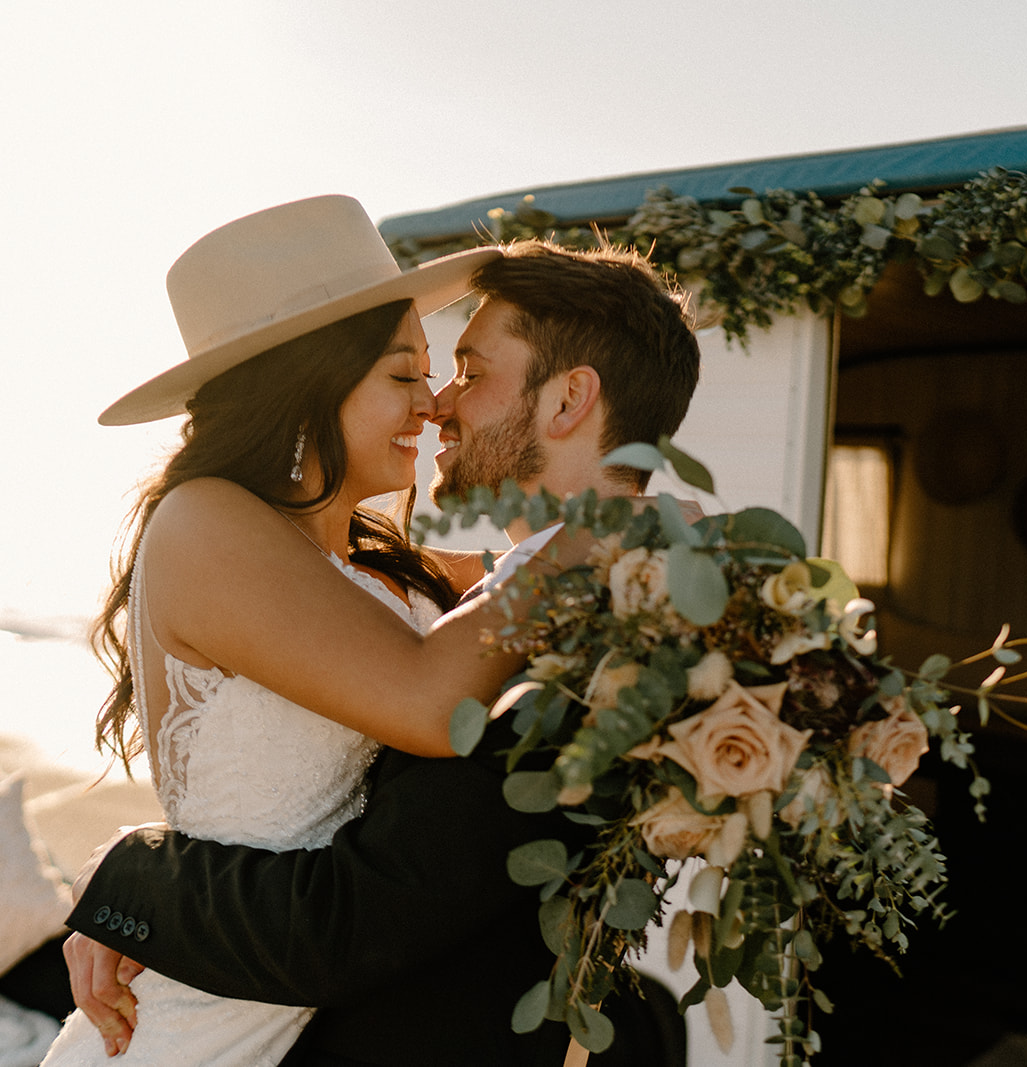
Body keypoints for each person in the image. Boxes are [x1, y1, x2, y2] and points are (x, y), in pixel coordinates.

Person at [58, 226, 703, 1066]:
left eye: (460, 374)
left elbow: (349, 918)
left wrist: (128, 883)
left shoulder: (593, 621)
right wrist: (130, 872)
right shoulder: (487, 591)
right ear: (308, 388)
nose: (434, 403)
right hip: (213, 1019)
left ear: (569, 398)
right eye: (412, 374)